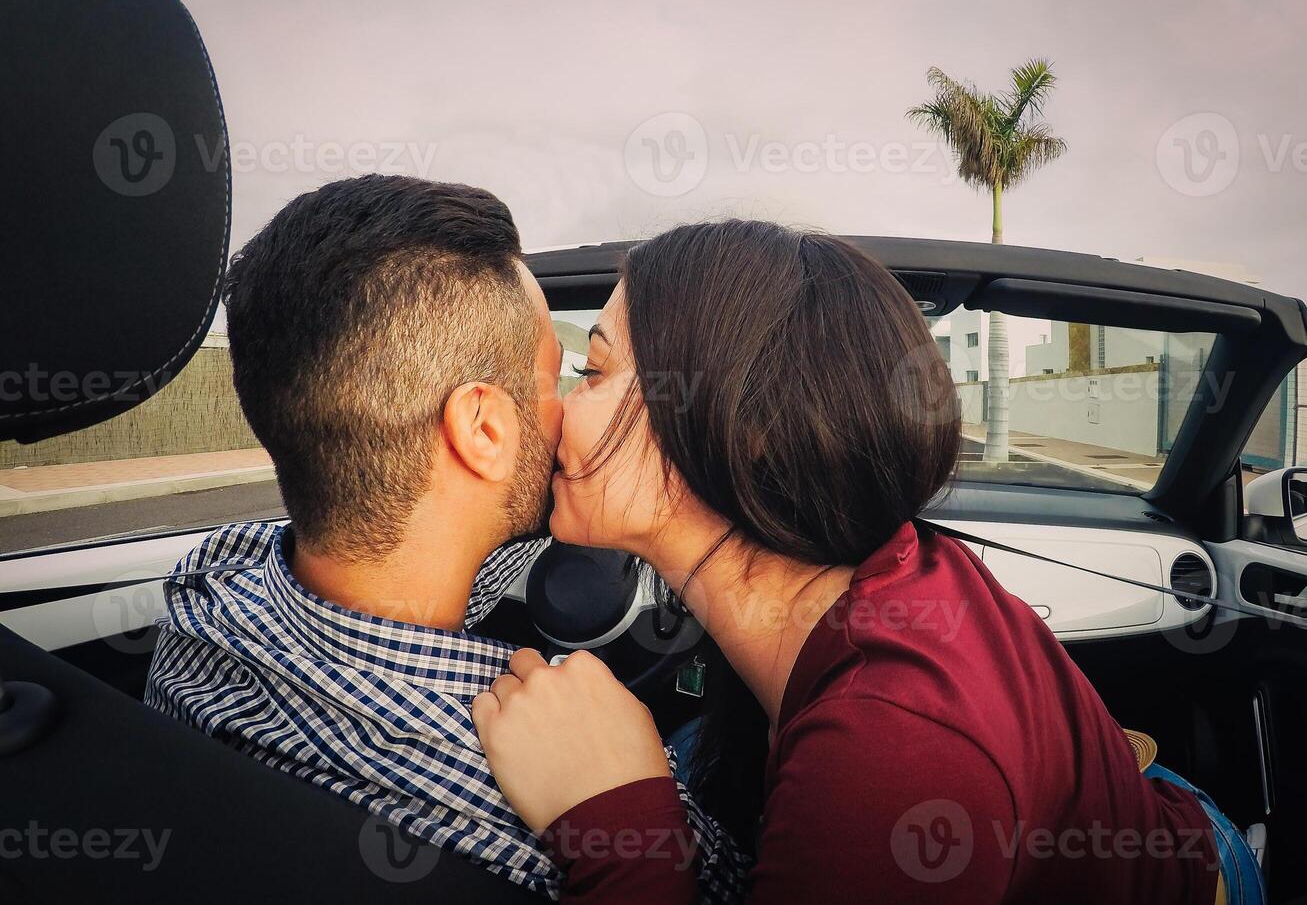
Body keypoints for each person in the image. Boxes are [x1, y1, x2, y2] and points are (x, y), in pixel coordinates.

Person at [471, 220, 1266, 903]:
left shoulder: (892, 757)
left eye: (592, 373)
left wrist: (619, 826)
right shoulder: (859, 565)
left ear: (744, 428)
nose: (552, 414)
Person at [144, 176, 746, 900]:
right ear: (484, 429)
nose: (564, 419)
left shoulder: (210, 578)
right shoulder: (532, 802)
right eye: (557, 381)